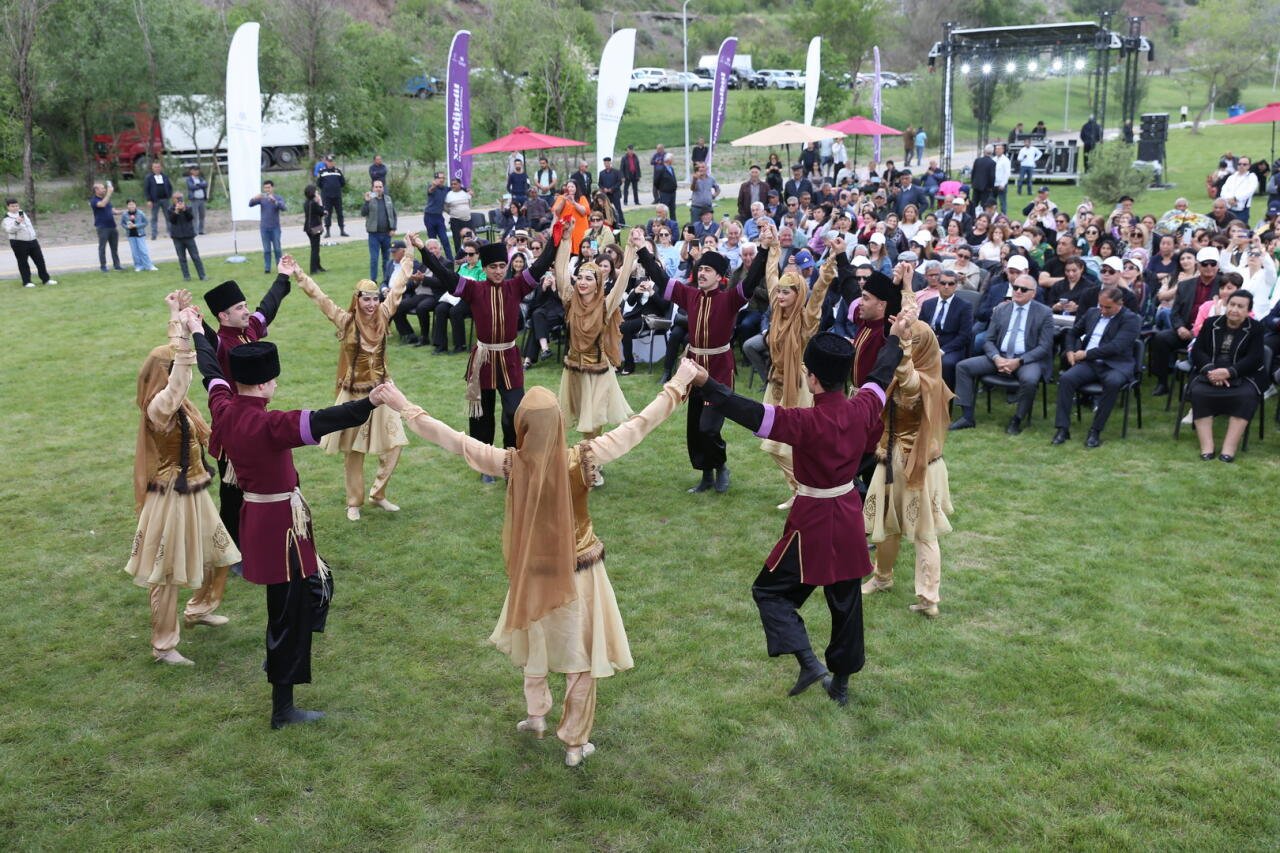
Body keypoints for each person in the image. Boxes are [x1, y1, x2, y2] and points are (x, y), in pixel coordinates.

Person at [379, 359, 698, 765]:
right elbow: (639, 425)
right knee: (581, 657)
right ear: (562, 424)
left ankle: (538, 716)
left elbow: (452, 439)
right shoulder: (585, 455)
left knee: (536, 643)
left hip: (534, 572)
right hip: (582, 572)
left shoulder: (510, 463)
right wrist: (678, 383)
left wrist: (401, 402)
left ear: (522, 425)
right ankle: (574, 742)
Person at [690, 330, 904, 705]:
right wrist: (897, 339)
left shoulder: (806, 422)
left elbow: (748, 411)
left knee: (769, 592)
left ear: (813, 378)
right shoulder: (865, 405)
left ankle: (808, 663)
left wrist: (706, 383)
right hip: (850, 517)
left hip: (814, 522)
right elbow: (881, 376)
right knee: (846, 601)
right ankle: (839, 686)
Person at [193, 335, 377, 729]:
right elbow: (330, 419)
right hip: (281, 530)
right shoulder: (269, 422)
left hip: (265, 523)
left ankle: (282, 655)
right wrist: (373, 402)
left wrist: (194, 329)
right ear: (262, 384)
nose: (276, 385)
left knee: (318, 585)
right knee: (287, 614)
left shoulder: (224, 408)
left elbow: (210, 373)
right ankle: (283, 708)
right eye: (273, 380)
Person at [126, 292, 241, 665]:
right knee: (167, 573)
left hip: (194, 488)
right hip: (169, 499)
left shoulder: (180, 406)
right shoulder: (160, 408)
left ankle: (200, 608)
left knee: (222, 553)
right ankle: (163, 645)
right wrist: (188, 346)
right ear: (161, 374)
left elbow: (174, 359)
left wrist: (176, 314)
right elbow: (178, 381)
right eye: (170, 366)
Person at [293, 253, 411, 520]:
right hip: (355, 394)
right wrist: (299, 274)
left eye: (374, 299)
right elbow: (320, 299)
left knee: (394, 445)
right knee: (354, 451)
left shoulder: (383, 315)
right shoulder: (345, 321)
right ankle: (354, 502)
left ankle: (378, 494)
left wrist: (409, 256)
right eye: (365, 299)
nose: (371, 304)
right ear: (356, 299)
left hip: (382, 391)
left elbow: (399, 287)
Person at [862, 288, 955, 619]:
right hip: (890, 458)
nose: (909, 345)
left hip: (917, 465)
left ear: (924, 348)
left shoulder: (926, 381)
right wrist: (907, 290)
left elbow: (908, 379)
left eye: (915, 343)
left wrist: (900, 346)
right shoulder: (914, 367)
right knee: (887, 524)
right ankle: (882, 577)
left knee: (922, 532)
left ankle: (929, 598)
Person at [421, 241, 554, 464]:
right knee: (482, 414)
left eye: (503, 265)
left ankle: (512, 458)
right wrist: (424, 251)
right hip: (483, 360)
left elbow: (540, 266)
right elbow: (445, 275)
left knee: (515, 411)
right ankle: (485, 462)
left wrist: (556, 240)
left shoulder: (516, 286)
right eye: (493, 266)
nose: (499, 271)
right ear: (484, 268)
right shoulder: (473, 289)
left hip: (509, 359)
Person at [635, 235, 749, 493]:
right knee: (695, 428)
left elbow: (751, 283)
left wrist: (764, 251)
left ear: (720, 276)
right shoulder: (690, 295)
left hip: (719, 370)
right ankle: (706, 476)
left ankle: (721, 467)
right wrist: (642, 249)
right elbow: (661, 278)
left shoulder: (729, 299)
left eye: (708, 270)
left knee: (709, 427)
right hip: (693, 368)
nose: (702, 273)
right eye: (700, 269)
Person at [201, 269, 293, 550]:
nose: (246, 311)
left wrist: (283, 277)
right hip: (232, 430)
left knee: (261, 488)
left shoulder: (248, 330)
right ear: (223, 317)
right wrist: (194, 322)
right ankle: (229, 549)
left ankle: (258, 539)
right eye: (239, 308)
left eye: (244, 305)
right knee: (232, 495)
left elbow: (267, 308)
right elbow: (203, 341)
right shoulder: (220, 342)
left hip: (258, 424)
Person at [755, 231, 838, 507]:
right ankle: (798, 488)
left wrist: (828, 268)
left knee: (794, 444)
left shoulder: (805, 321)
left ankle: (807, 488)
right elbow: (770, 278)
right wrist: (774, 249)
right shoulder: (777, 313)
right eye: (779, 291)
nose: (780, 295)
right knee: (771, 440)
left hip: (798, 384)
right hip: (775, 381)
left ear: (798, 293)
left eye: (786, 291)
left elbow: (817, 299)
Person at [551, 231, 635, 438]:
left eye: (589, 278)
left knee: (594, 420)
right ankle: (590, 459)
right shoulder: (570, 301)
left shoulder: (606, 305)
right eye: (579, 277)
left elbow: (622, 280)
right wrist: (566, 241)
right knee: (581, 416)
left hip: (598, 371)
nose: (582, 282)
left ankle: (593, 462)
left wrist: (632, 249)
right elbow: (561, 273)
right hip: (573, 369)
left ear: (598, 283)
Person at [950, 274, 1053, 435]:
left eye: (1023, 289)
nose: (1017, 291)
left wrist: (1019, 361)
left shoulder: (1044, 313)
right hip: (999, 356)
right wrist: (996, 358)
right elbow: (989, 340)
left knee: (1031, 380)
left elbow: (1044, 347)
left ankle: (1017, 419)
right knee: (963, 367)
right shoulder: (1001, 309)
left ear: (1033, 293)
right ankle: (967, 417)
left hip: (1026, 360)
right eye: (1015, 288)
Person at [1050, 287, 1141, 448]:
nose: (1103, 311)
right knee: (1066, 379)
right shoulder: (1093, 312)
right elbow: (1072, 333)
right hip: (1090, 364)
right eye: (1101, 306)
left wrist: (1086, 354)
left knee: (1112, 383)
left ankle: (1095, 431)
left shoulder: (1131, 319)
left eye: (1108, 307)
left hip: (1116, 364)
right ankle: (1062, 429)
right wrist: (1070, 350)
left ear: (1120, 304)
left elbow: (1116, 347)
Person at [1188, 290, 1268, 461]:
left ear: (1248, 311)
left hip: (1244, 375)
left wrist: (1229, 372)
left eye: (1240, 306)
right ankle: (1207, 447)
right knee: (1199, 392)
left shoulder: (1256, 328)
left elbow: (1255, 358)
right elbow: (1198, 351)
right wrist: (1211, 371)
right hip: (1210, 372)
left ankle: (1228, 449)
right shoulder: (1211, 323)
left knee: (1246, 396)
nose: (1234, 309)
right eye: (1232, 305)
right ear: (1226, 305)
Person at [917, 269, 972, 390]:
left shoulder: (964, 306)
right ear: (938, 284)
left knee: (945, 363)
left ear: (956, 286)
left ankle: (944, 401)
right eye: (943, 283)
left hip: (952, 347)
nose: (946, 286)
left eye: (951, 284)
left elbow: (964, 336)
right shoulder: (928, 304)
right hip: (930, 342)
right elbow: (920, 327)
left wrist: (942, 350)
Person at [4, 198, 57, 286]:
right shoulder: (7, 218)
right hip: (18, 242)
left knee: (40, 260)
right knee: (23, 262)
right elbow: (10, 230)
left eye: (16, 205)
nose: (15, 208)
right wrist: (17, 223)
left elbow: (28, 226)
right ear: (8, 207)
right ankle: (27, 282)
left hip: (32, 240)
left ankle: (46, 280)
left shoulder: (21, 213)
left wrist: (33, 235)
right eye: (12, 206)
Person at [361, 180, 397, 283]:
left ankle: (386, 280)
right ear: (372, 188)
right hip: (374, 234)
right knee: (374, 259)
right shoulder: (370, 199)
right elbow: (363, 213)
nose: (378, 189)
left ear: (383, 188)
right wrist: (366, 201)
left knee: (386, 258)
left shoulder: (388, 199)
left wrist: (393, 228)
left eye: (380, 187)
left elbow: (393, 215)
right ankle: (373, 280)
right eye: (376, 187)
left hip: (386, 234)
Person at [249, 180, 287, 275]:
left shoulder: (278, 198)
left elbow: (284, 208)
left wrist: (274, 201)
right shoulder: (262, 199)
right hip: (264, 228)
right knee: (266, 250)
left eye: (269, 188)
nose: (267, 190)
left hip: (275, 228)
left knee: (277, 249)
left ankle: (280, 268)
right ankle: (267, 268)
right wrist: (254, 198)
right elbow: (250, 204)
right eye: (265, 188)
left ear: (272, 188)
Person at [168, 193, 206, 282]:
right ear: (173, 199)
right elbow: (172, 220)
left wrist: (184, 210)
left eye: (180, 198)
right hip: (177, 237)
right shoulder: (170, 209)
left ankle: (202, 275)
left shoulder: (188, 208)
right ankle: (186, 277)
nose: (178, 200)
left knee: (195, 257)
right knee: (182, 258)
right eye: (176, 198)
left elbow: (190, 218)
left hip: (189, 236)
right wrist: (176, 211)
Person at [90, 181, 124, 272]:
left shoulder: (106, 199)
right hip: (102, 227)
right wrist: (109, 193)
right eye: (102, 188)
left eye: (104, 188)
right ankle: (103, 266)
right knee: (102, 247)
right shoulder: (94, 200)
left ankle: (117, 265)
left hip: (112, 226)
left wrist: (125, 211)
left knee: (114, 247)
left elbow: (113, 211)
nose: (104, 189)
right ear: (96, 190)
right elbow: (102, 204)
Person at [552, 181, 590, 253]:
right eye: (568, 187)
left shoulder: (582, 198)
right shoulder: (561, 198)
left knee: (580, 249)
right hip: (566, 229)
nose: (570, 188)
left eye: (572, 186)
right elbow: (557, 212)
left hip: (580, 229)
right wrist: (564, 199)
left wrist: (574, 202)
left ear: (576, 188)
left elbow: (584, 212)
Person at [119, 200, 156, 273]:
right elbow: (122, 223)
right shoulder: (125, 214)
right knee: (134, 252)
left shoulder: (140, 213)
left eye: (133, 204)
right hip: (131, 235)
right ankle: (138, 266)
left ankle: (149, 265)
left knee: (143, 250)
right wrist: (127, 227)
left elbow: (145, 222)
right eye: (129, 204)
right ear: (127, 206)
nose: (131, 206)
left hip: (140, 234)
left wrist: (136, 225)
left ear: (135, 205)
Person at [1220, 156, 1259, 224]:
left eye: (1244, 164)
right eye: (1239, 164)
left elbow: (1249, 191)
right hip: (1228, 208)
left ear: (1249, 166)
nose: (1241, 166)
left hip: (1242, 209)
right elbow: (1224, 190)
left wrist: (1235, 198)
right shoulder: (1231, 177)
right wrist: (1228, 199)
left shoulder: (1252, 177)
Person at [317, 155, 348, 237]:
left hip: (337, 196)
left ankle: (342, 230)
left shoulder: (338, 171)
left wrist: (336, 188)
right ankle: (327, 232)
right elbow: (319, 184)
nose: (330, 163)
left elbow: (343, 183)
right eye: (329, 161)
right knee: (327, 214)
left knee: (340, 213)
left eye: (332, 161)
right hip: (327, 197)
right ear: (326, 162)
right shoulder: (322, 172)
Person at [444, 177, 473, 259]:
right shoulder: (448, 195)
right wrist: (451, 212)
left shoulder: (465, 193)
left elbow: (470, 203)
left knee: (469, 238)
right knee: (457, 239)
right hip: (455, 220)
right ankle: (459, 257)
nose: (453, 186)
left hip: (467, 220)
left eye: (455, 184)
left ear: (460, 184)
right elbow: (445, 207)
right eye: (452, 184)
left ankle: (470, 254)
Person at [143, 160, 173, 240]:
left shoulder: (165, 176)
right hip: (154, 200)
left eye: (158, 167)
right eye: (155, 167)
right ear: (152, 168)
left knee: (168, 216)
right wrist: (148, 200)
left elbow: (170, 187)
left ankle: (170, 232)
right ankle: (154, 234)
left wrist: (169, 195)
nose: (157, 168)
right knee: (154, 217)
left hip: (165, 199)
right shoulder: (149, 178)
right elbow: (146, 189)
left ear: (161, 168)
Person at [303, 184, 326, 274]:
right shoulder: (313, 203)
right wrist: (320, 201)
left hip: (308, 227)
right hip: (314, 227)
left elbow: (317, 213)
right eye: (316, 192)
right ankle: (313, 269)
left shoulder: (307, 203)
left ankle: (318, 266)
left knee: (315, 247)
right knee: (315, 249)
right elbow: (321, 211)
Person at [597, 156, 623, 225]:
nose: (606, 164)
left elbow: (619, 182)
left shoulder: (616, 172)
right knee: (607, 209)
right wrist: (603, 189)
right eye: (605, 163)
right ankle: (611, 222)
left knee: (618, 209)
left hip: (615, 194)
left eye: (607, 163)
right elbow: (600, 183)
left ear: (610, 163)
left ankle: (621, 222)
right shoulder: (601, 173)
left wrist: (612, 189)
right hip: (606, 195)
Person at [185, 166, 209, 235]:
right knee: (194, 216)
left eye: (197, 170)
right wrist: (201, 185)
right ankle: (195, 231)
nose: (196, 171)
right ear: (191, 171)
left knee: (202, 215)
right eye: (194, 170)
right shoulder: (189, 179)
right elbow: (191, 187)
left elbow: (205, 184)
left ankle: (201, 230)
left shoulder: (201, 178)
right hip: (194, 200)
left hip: (202, 199)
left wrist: (198, 185)